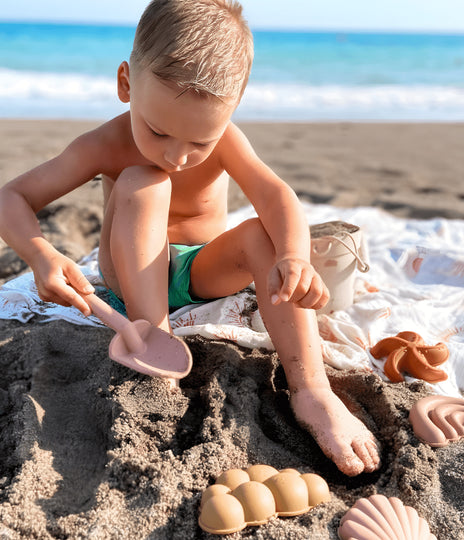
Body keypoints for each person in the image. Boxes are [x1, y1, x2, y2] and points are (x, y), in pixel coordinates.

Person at [0, 0, 380, 476]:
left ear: (233, 107)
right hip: (131, 276)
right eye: (157, 131)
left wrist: (293, 257)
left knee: (261, 235)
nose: (177, 156)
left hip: (200, 269)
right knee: (146, 180)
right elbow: (12, 196)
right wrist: (40, 253)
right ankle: (153, 334)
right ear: (126, 84)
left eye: (199, 142)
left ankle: (311, 391)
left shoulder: (227, 139)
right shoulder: (104, 144)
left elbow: (276, 194)